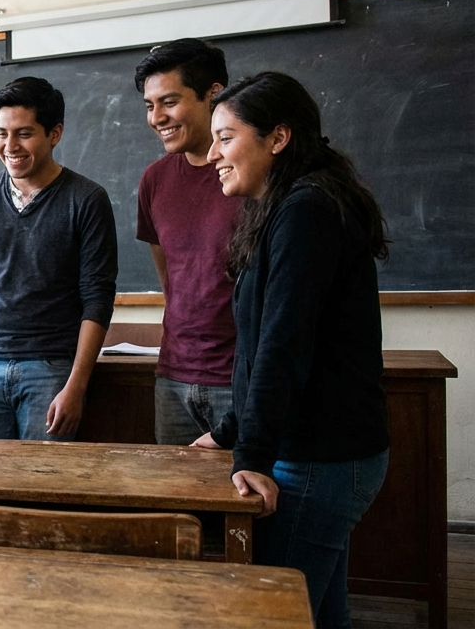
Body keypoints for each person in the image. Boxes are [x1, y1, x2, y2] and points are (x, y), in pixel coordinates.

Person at [193, 72, 390, 627]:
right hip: (318, 453)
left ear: (277, 138)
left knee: (275, 615)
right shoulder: (289, 205)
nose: (212, 156)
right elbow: (263, 346)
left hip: (320, 458)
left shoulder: (308, 209)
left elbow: (285, 342)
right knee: (318, 613)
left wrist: (250, 455)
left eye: (226, 138)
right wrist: (231, 433)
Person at [0, 76, 118, 477]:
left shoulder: (86, 200)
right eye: (1, 134)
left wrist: (76, 386)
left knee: (42, 499)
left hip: (51, 370)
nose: (10, 147)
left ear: (55, 134)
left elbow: (98, 298)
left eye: (24, 134)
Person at [133, 39, 244, 444]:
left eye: (170, 101)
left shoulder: (251, 177)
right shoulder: (155, 180)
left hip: (240, 379)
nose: (157, 117)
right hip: (173, 379)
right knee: (176, 507)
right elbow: (172, 281)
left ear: (214, 94)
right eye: (149, 105)